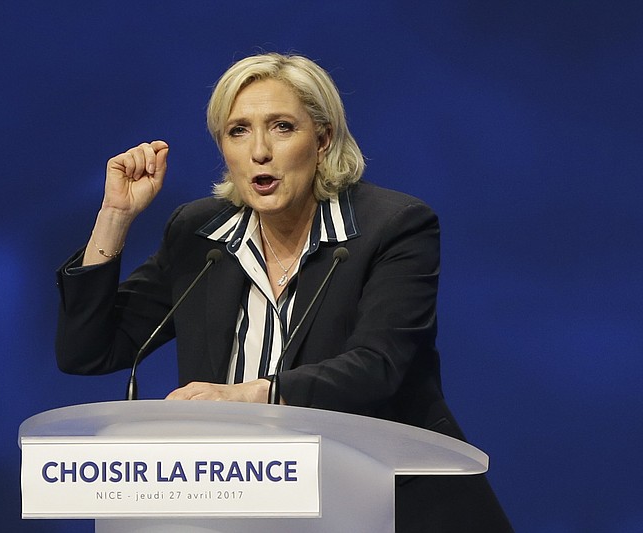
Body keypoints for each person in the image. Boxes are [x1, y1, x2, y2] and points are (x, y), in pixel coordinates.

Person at [55, 52, 512, 531]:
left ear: (323, 139)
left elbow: (379, 366)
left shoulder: (392, 227)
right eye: (238, 131)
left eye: (281, 127)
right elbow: (87, 352)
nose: (259, 152)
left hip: (386, 506)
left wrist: (252, 397)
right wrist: (115, 217)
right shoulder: (199, 235)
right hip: (243, 512)